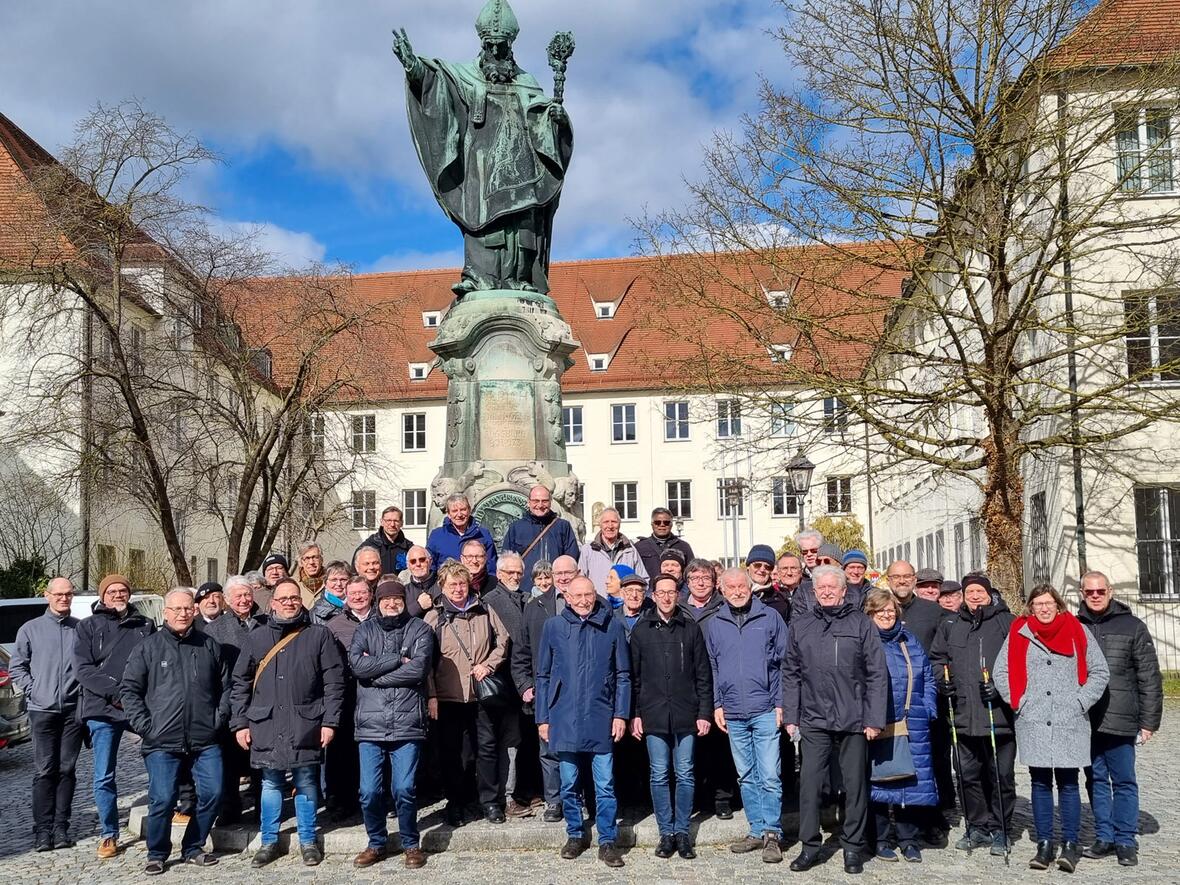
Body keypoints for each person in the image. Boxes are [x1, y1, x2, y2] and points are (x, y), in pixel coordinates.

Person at [230, 577, 345, 868]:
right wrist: (240, 723)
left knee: (306, 781)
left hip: (306, 722)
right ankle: (269, 841)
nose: (290, 603)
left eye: (294, 598)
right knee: (270, 783)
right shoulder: (256, 637)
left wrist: (330, 722)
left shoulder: (319, 635)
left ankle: (308, 840)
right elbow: (240, 682)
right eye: (283, 599)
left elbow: (334, 682)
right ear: (272, 603)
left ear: (301, 601)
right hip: (265, 722)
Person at [994, 584, 1109, 873]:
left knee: (1069, 783)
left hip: (1069, 720)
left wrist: (1080, 702)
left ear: (1058, 605)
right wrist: (1018, 701)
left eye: (1048, 603)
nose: (1043, 608)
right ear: (1030, 607)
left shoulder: (1077, 630)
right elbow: (1001, 671)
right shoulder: (1019, 632)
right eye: (1038, 603)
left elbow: (1100, 671)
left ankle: (1071, 844)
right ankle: (1044, 844)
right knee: (1040, 783)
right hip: (1033, 719)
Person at [784, 565, 887, 875]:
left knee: (855, 785)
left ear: (844, 591)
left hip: (854, 718)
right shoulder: (800, 625)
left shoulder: (861, 624)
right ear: (814, 592)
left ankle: (852, 847)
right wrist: (791, 715)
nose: (827, 591)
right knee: (810, 784)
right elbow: (790, 672)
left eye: (833, 587)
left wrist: (874, 718)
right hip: (813, 718)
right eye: (821, 588)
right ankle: (809, 846)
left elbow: (877, 673)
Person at [121, 588, 229, 875]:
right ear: (165, 613)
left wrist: (217, 720)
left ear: (194, 611)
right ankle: (157, 852)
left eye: (187, 609)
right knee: (163, 799)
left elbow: (225, 688)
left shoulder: (208, 645)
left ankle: (193, 846)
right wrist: (146, 727)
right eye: (176, 609)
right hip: (161, 741)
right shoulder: (148, 647)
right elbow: (129, 691)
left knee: (214, 793)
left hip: (204, 738)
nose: (183, 614)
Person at [535, 576, 631, 868]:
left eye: (588, 594)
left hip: (601, 715)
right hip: (563, 717)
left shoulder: (612, 625)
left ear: (595, 595)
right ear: (567, 596)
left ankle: (607, 840)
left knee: (604, 785)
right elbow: (543, 675)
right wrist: (543, 718)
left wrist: (621, 714)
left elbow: (624, 674)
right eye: (577, 595)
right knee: (569, 783)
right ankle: (575, 834)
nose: (583, 600)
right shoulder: (553, 626)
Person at [1077, 570, 1163, 867]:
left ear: (1110, 591)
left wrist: (1149, 721)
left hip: (1122, 717)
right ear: (1082, 593)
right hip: (1086, 720)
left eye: (1101, 591)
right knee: (1096, 780)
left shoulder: (1133, 626)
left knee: (1124, 781)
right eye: (1090, 592)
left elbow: (1149, 677)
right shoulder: (1074, 627)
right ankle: (1104, 836)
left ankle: (1125, 840)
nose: (1096, 596)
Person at [928, 573, 1017, 856]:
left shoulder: (1007, 622)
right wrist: (942, 681)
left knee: (1000, 774)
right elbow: (937, 658)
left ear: (989, 593)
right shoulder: (951, 623)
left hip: (997, 714)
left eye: (980, 591)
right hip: (963, 712)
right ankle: (978, 826)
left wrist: (1003, 690)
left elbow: (1019, 663)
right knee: (967, 775)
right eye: (970, 592)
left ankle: (1001, 827)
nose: (975, 596)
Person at [705, 568, 789, 864]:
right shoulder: (716, 623)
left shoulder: (770, 618)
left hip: (765, 707)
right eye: (731, 587)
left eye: (742, 585)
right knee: (746, 776)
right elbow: (713, 668)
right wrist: (717, 705)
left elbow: (785, 664)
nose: (738, 590)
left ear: (750, 587)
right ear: (722, 590)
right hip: (733, 711)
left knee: (769, 775)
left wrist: (781, 703)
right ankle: (756, 829)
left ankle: (773, 833)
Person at [350, 579, 435, 870]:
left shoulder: (420, 629)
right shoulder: (365, 629)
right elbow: (358, 667)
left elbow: (419, 669)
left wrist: (376, 675)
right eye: (386, 599)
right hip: (370, 724)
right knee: (369, 791)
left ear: (403, 600)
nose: (391, 603)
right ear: (378, 602)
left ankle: (411, 843)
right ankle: (376, 842)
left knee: (404, 788)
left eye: (396, 598)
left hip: (407, 721)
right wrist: (398, 659)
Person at [629, 573, 713, 860]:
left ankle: (682, 832)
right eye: (661, 592)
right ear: (654, 595)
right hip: (653, 714)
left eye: (671, 592)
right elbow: (634, 678)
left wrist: (704, 712)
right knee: (659, 773)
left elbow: (703, 675)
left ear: (678, 595)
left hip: (686, 713)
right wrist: (635, 714)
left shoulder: (690, 630)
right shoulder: (641, 631)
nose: (666, 597)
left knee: (686, 772)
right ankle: (666, 833)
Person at [423, 561, 512, 826]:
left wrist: (489, 664)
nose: (458, 589)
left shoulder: (484, 609)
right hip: (448, 696)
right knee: (453, 754)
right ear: (443, 587)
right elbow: (425, 661)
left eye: (462, 583)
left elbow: (503, 640)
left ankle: (490, 802)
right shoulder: (435, 617)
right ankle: (456, 803)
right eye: (453, 584)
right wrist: (431, 696)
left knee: (486, 749)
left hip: (480, 695)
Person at [74, 574, 155, 858]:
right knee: (104, 775)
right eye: (112, 591)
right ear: (103, 595)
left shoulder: (145, 625)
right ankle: (109, 833)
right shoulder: (87, 626)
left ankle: (163, 813)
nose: (118, 594)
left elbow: (153, 663)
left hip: (138, 706)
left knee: (160, 758)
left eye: (123, 590)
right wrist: (117, 693)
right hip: (102, 708)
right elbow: (83, 669)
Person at [863, 589, 939, 863]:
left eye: (891, 610)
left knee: (910, 781)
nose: (886, 614)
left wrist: (928, 707)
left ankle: (909, 838)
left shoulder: (910, 641)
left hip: (912, 720)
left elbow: (928, 678)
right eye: (880, 610)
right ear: (870, 614)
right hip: (877, 722)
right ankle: (881, 838)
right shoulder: (865, 642)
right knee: (880, 781)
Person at [10, 576, 82, 852]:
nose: (64, 598)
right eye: (59, 594)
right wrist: (34, 690)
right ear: (47, 595)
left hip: (73, 710)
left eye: (68, 594)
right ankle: (42, 830)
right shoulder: (30, 629)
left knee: (67, 769)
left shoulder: (80, 628)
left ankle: (61, 827)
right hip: (42, 710)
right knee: (44, 770)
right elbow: (18, 667)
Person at [512, 555, 572, 822]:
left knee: (578, 748)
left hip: (581, 691)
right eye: (557, 574)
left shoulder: (592, 603)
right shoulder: (535, 607)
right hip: (545, 689)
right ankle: (554, 800)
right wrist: (525, 684)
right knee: (548, 749)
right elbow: (521, 652)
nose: (561, 578)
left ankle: (577, 797)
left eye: (567, 573)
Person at [202, 575, 266, 824]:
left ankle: (264, 807)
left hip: (261, 699)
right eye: (238, 596)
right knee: (228, 760)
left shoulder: (265, 622)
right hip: (229, 701)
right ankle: (229, 807)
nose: (244, 600)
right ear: (227, 600)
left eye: (247, 594)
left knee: (260, 759)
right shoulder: (215, 629)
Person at [679, 558, 735, 818]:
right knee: (693, 745)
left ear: (714, 583)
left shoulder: (725, 608)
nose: (700, 583)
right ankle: (697, 797)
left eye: (706, 578)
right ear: (687, 582)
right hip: (687, 685)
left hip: (719, 682)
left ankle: (722, 798)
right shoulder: (679, 608)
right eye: (695, 578)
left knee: (720, 745)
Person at [323, 574, 377, 820]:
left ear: (370, 594)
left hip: (377, 694)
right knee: (340, 749)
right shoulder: (334, 626)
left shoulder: (382, 620)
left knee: (370, 747)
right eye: (352, 593)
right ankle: (339, 800)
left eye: (362, 592)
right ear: (346, 595)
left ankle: (373, 798)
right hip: (346, 694)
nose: (357, 597)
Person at [504, 485, 580, 592]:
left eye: (544, 501)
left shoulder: (563, 526)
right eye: (536, 501)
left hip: (555, 590)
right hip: (524, 591)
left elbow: (571, 559)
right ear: (528, 502)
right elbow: (507, 561)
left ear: (550, 502)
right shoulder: (516, 528)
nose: (540, 505)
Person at [578, 507, 648, 594]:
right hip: (598, 604)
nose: (610, 526)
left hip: (625, 605)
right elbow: (580, 580)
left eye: (614, 522)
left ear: (619, 525)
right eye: (606, 522)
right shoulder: (588, 550)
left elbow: (643, 579)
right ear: (600, 525)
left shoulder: (630, 550)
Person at [427, 494, 498, 578]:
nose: (459, 514)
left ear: (469, 510)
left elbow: (491, 567)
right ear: (449, 514)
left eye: (463, 510)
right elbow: (430, 567)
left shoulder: (483, 534)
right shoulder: (437, 536)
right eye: (454, 511)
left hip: (479, 588)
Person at [885, 560, 943, 652]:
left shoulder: (933, 610)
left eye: (907, 576)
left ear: (914, 580)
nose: (902, 581)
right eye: (896, 577)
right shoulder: (878, 612)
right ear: (888, 581)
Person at [634, 507, 695, 580]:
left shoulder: (684, 546)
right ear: (652, 524)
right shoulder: (640, 547)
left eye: (666, 522)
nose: (662, 525)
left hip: (677, 590)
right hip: (649, 590)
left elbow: (691, 573)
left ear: (671, 525)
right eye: (657, 522)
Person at [359, 505, 415, 576]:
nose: (392, 524)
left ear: (401, 523)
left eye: (396, 521)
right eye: (388, 520)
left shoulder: (408, 548)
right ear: (382, 522)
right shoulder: (369, 546)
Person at [747, 544, 789, 622]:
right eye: (757, 565)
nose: (762, 570)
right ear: (748, 566)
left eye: (768, 567)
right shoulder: (734, 592)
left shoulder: (780, 601)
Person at [403, 546, 439, 615]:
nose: (418, 564)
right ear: (408, 566)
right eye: (413, 561)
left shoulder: (442, 585)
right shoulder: (404, 591)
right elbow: (399, 620)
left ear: (430, 561)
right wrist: (418, 606)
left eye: (422, 560)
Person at [295, 542, 326, 608]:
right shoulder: (292, 583)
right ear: (301, 562)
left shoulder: (332, 582)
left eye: (315, 557)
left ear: (321, 560)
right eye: (307, 558)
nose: (311, 562)